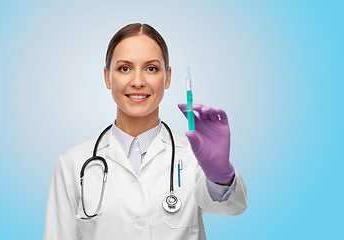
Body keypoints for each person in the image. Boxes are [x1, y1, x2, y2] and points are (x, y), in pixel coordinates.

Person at [44, 23, 247, 240]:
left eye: (151, 68)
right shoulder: (72, 164)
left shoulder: (192, 156)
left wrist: (221, 175)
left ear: (167, 77)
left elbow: (231, 208)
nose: (138, 82)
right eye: (124, 68)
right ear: (107, 77)